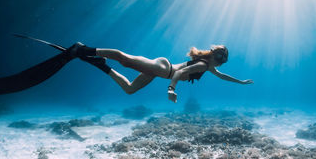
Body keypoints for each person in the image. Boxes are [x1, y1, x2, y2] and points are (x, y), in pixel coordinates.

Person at [68, 43, 253, 103]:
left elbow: (222, 76)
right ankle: (85, 50)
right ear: (216, 57)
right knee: (125, 60)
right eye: (221, 60)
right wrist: (171, 89)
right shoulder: (204, 66)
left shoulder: (209, 66)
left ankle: (101, 65)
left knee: (130, 89)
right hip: (165, 70)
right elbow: (183, 72)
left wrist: (241, 82)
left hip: (162, 70)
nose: (221, 64)